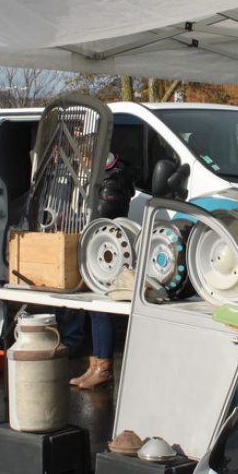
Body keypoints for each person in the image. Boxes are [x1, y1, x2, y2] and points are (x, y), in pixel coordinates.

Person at [71, 153, 135, 390]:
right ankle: (96, 364)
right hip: (99, 243)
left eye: (82, 159)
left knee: (102, 308)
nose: (80, 164)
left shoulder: (113, 178)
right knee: (93, 308)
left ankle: (104, 368)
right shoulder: (106, 175)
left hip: (108, 246)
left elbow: (103, 210)